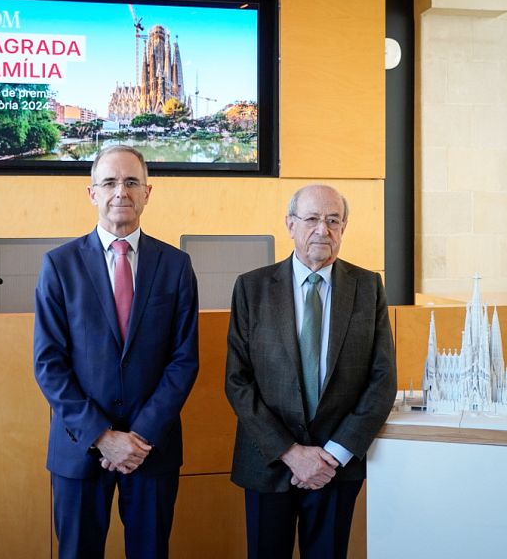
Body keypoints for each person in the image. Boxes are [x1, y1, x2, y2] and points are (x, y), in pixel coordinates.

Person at [33, 145, 199, 559]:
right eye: (108, 182)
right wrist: (102, 437)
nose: (120, 191)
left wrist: (138, 437)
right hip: (79, 447)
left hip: (151, 449)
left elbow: (184, 360)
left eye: (131, 182)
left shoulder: (176, 266)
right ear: (92, 193)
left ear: (148, 192)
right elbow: (49, 365)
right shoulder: (59, 265)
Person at [225, 184, 396, 558]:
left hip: (335, 468)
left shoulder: (368, 287)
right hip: (268, 463)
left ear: (344, 227)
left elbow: (382, 381)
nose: (324, 229)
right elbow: (238, 382)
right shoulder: (252, 288)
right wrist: (290, 452)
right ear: (290, 224)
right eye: (313, 219)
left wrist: (332, 454)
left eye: (334, 220)